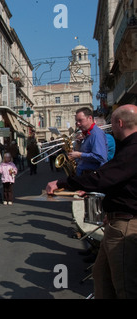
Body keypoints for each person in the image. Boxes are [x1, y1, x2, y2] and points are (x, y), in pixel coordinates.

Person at [46, 104, 137, 299]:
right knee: (101, 275)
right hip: (117, 218)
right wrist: (110, 210)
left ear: (119, 123)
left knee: (125, 286)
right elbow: (122, 181)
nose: (110, 128)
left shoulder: (132, 148)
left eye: (112, 123)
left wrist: (64, 182)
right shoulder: (127, 146)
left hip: (126, 223)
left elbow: (106, 174)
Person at [69, 107, 108, 176]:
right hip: (85, 175)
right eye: (76, 121)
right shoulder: (88, 134)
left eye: (80, 120)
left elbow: (100, 157)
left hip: (91, 176)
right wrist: (79, 143)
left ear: (90, 118)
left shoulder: (96, 134)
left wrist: (79, 154)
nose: (78, 124)